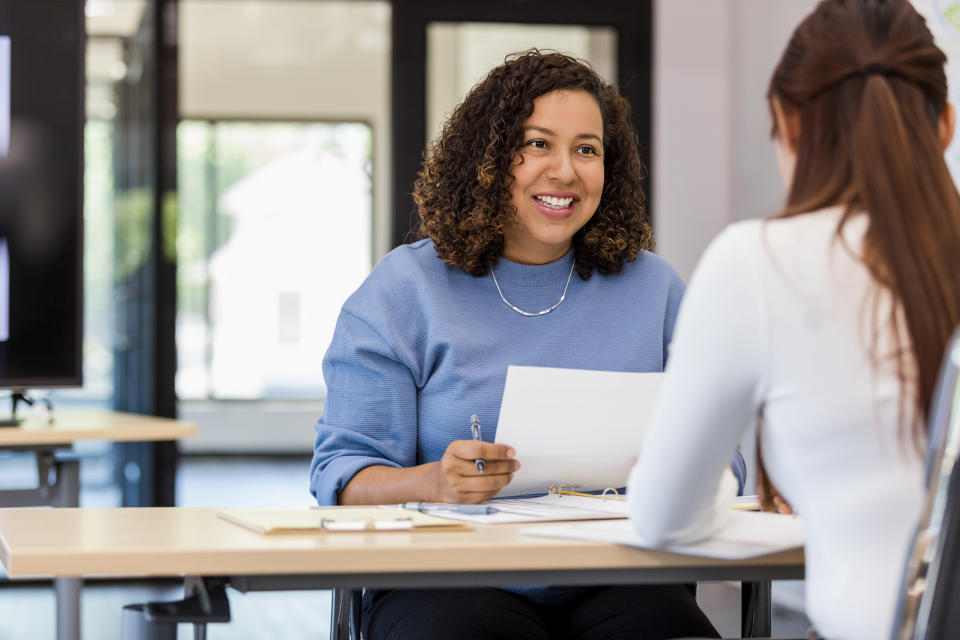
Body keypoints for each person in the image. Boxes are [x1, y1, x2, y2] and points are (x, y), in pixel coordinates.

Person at [310, 50, 725, 639]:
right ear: (489, 158)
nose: (564, 171)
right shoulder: (406, 290)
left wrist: (683, 467)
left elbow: (722, 457)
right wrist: (434, 482)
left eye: (587, 149)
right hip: (450, 583)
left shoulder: (655, 290)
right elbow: (343, 475)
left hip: (623, 577)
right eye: (536, 144)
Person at [627, 1, 960, 639]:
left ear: (790, 125)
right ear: (945, 125)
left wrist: (727, 494)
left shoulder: (758, 263)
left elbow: (665, 517)